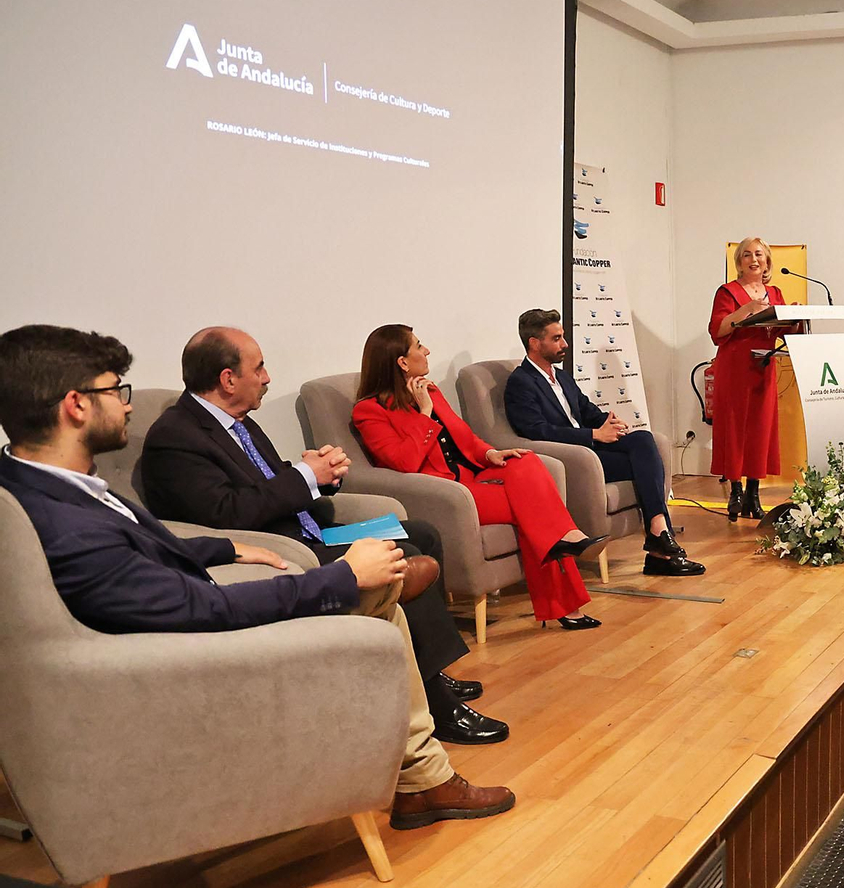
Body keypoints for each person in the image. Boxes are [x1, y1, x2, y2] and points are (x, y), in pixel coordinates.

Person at [0, 324, 513, 830]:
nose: (128, 406)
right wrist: (340, 580)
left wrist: (223, 546)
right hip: (191, 659)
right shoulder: (60, 520)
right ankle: (423, 776)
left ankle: (422, 772)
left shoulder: (51, 486)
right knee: (377, 590)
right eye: (117, 390)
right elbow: (200, 610)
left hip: (197, 614)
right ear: (76, 404)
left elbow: (139, 546)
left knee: (388, 581)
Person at [138, 327, 508, 745]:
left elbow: (270, 476)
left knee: (421, 531)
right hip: (288, 550)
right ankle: (437, 708)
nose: (267, 377)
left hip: (313, 529)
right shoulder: (177, 437)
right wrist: (301, 477)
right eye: (258, 368)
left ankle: (429, 670)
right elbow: (226, 512)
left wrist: (320, 475)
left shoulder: (237, 422)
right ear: (227, 379)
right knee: (400, 552)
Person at [350, 324, 603, 629]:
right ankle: (567, 588)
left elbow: (464, 436)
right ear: (402, 362)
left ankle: (565, 546)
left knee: (527, 461)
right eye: (419, 346)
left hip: (472, 474)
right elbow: (404, 462)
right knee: (536, 509)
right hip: (447, 492)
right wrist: (425, 414)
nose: (427, 351)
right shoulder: (369, 411)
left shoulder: (428, 389)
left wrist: (489, 454)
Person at [504, 308, 703, 576]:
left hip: (592, 448)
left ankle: (658, 531)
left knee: (644, 440)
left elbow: (586, 411)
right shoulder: (521, 382)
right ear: (534, 343)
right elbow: (536, 431)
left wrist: (609, 422)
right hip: (573, 458)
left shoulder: (561, 376)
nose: (565, 344)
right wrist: (592, 435)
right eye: (557, 338)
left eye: (563, 337)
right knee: (645, 465)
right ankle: (659, 548)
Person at [709, 237, 798, 522]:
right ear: (739, 262)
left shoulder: (775, 291)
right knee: (735, 430)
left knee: (760, 430)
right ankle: (735, 491)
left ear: (768, 261)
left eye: (759, 254)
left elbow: (787, 332)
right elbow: (717, 331)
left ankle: (753, 494)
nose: (753, 259)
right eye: (746, 255)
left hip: (763, 368)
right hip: (734, 370)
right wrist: (744, 311)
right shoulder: (728, 292)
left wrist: (794, 317)